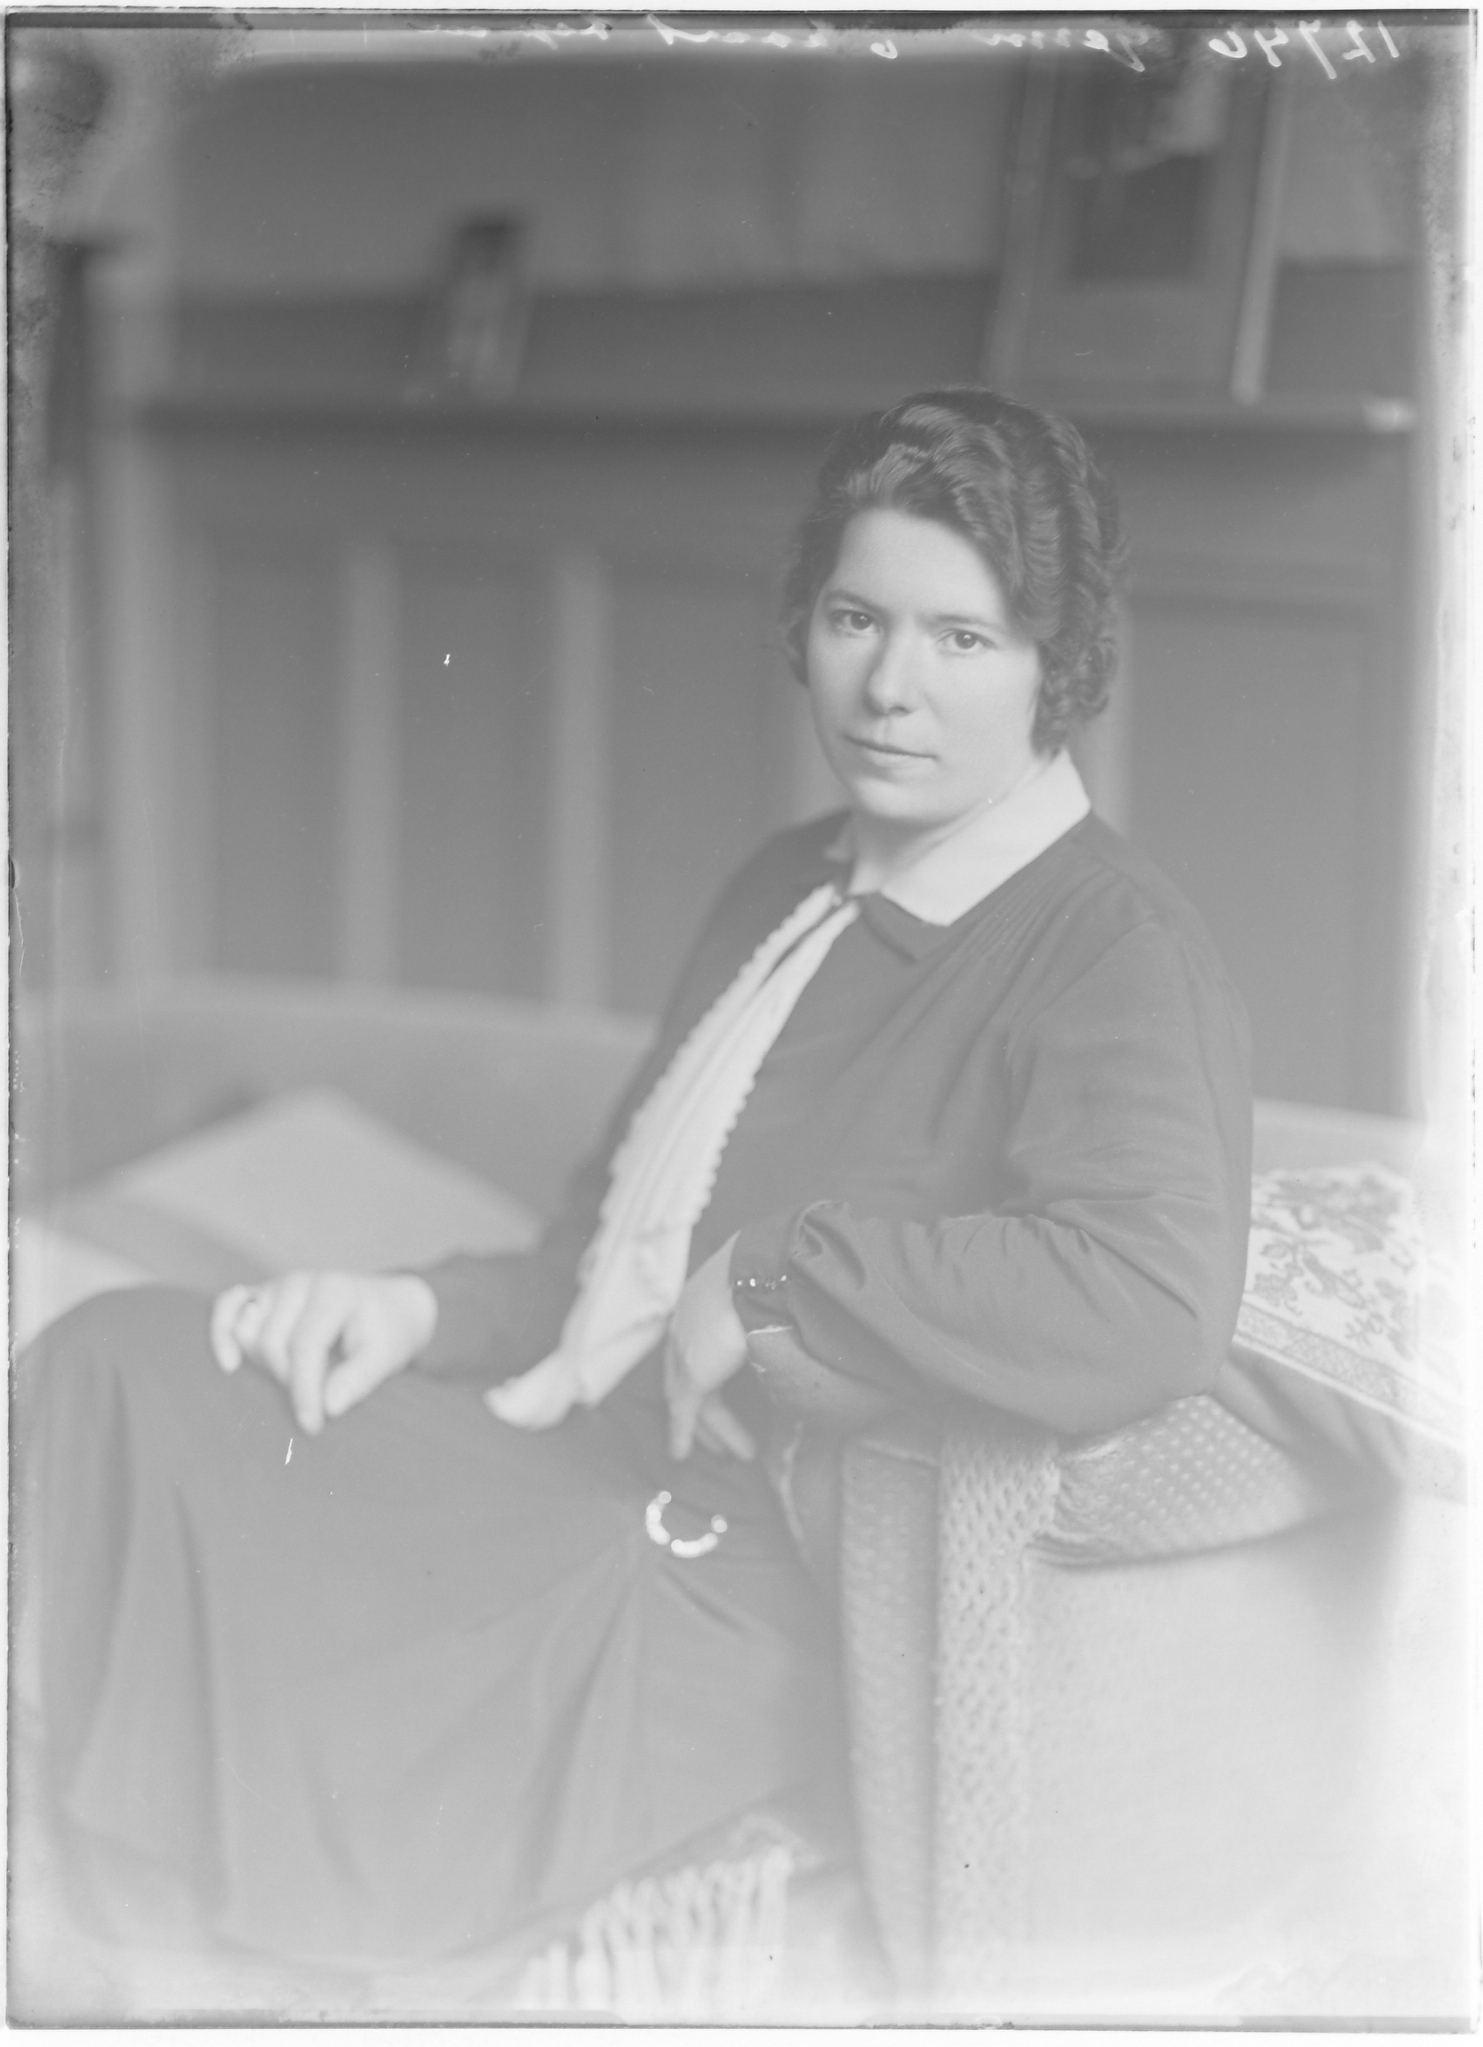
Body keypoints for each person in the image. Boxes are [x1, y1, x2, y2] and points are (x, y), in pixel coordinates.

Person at [15, 388, 1252, 1996]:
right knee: (125, 1366)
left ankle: (169, 1972)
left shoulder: (1111, 947)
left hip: (731, 1565)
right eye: (857, 619)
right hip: (570, 1439)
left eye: (963, 639)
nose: (890, 685)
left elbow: (1153, 1300)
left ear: (1056, 665)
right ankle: (86, 1938)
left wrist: (779, 1275)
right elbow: (600, 1256)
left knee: (374, 1682)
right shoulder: (786, 880)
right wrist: (415, 1309)